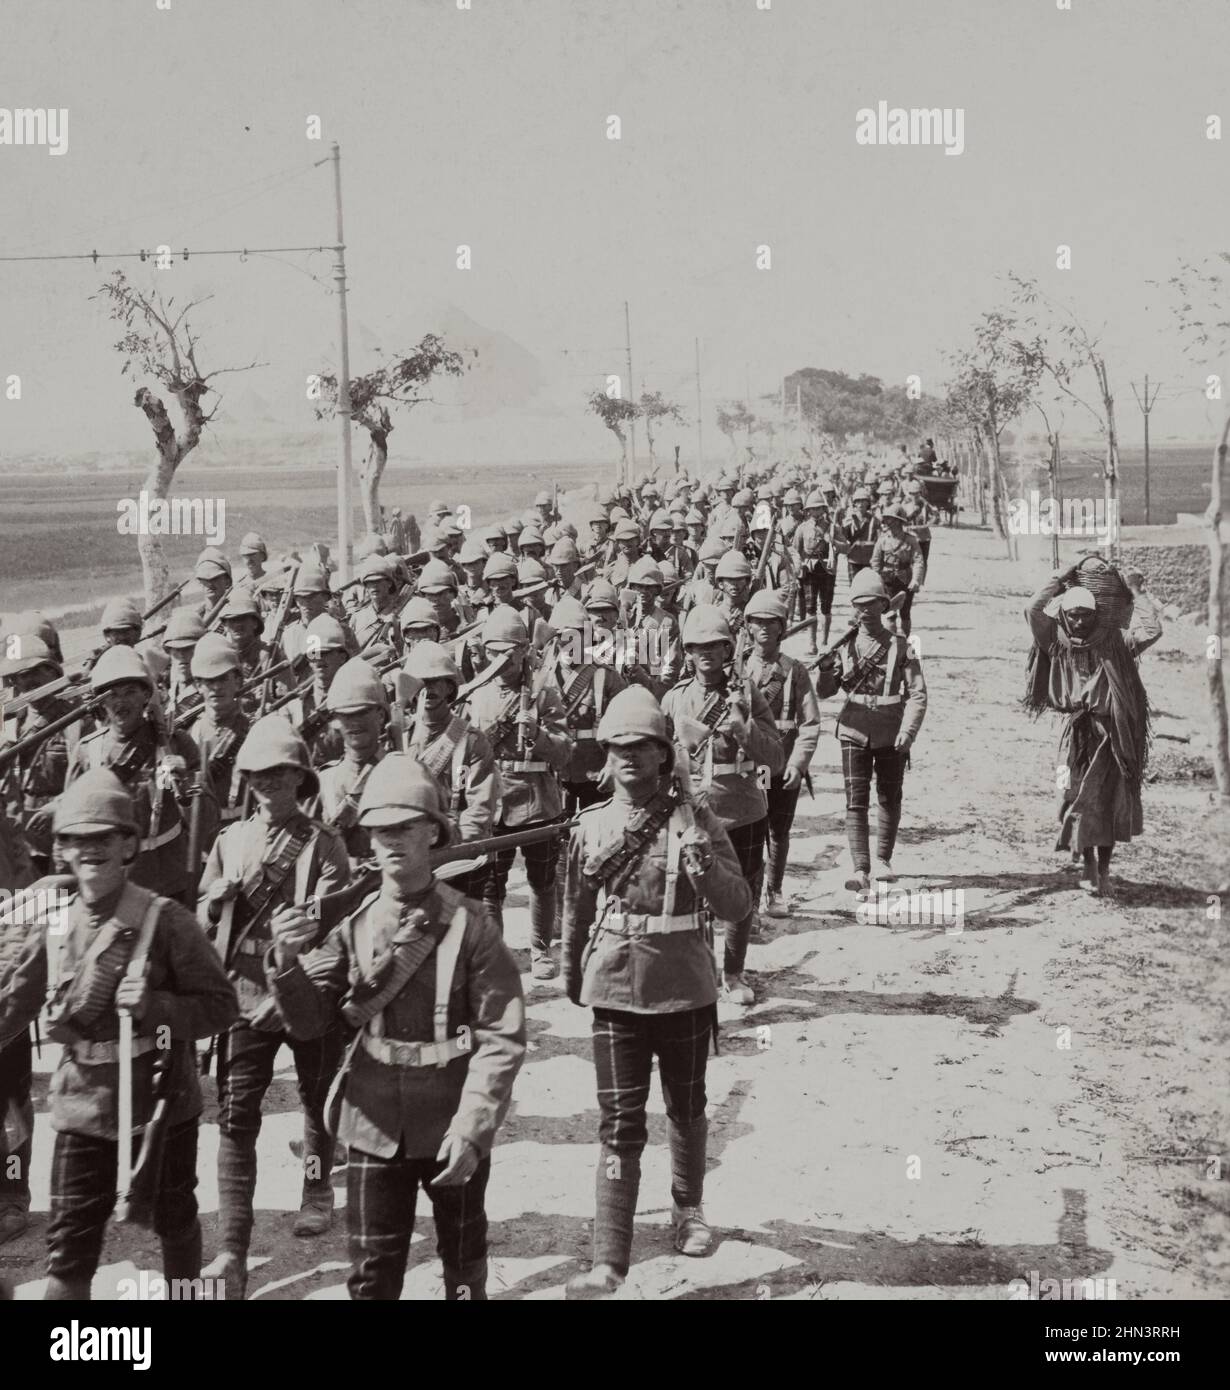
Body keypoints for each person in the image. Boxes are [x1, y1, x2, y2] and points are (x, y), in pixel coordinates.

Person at [265, 755, 525, 1300]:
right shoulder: (353, 927)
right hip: (373, 1120)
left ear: (433, 831)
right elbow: (312, 1024)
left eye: (405, 826)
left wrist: (474, 1126)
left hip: (450, 1116)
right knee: (372, 1275)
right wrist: (287, 964)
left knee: (463, 1265)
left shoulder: (471, 924)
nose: (391, 841)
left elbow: (501, 1036)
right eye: (380, 830)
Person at [0, 769, 237, 1299]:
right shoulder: (53, 921)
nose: (91, 851)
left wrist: (157, 1005)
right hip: (82, 1106)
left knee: (175, 1218)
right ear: (60, 849)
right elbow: (13, 1005)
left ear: (128, 843)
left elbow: (222, 1007)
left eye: (103, 837)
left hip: (159, 1103)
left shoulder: (165, 919)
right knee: (69, 1251)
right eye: (77, 840)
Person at [561, 687, 750, 1299]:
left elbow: (737, 906)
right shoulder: (591, 827)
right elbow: (575, 910)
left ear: (665, 755)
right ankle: (609, 1254)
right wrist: (572, 975)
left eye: (641, 747)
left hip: (685, 987)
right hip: (615, 987)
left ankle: (688, 1208)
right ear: (605, 757)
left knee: (688, 1106)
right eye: (617, 748)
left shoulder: (698, 822)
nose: (628, 758)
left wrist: (704, 869)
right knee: (619, 1123)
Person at [197, 716, 350, 1297]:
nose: (270, 785)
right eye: (259, 775)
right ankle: (233, 1247)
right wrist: (215, 904)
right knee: (236, 1118)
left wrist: (300, 960)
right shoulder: (229, 842)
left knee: (317, 1102)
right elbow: (202, 925)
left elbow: (339, 936)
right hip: (244, 993)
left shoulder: (325, 844)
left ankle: (316, 1191)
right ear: (247, 780)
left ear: (300, 778)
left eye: (281, 774)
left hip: (305, 990)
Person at [662, 605, 783, 1005]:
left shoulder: (747, 694)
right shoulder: (676, 699)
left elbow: (775, 759)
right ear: (688, 652)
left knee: (741, 897)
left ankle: (733, 973)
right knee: (688, 893)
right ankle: (698, 971)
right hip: (692, 812)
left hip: (743, 810)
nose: (706, 654)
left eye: (715, 645)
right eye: (698, 647)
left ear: (728, 649)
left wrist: (742, 727)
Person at [1024, 562, 1158, 897]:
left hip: (1113, 734)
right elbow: (1031, 608)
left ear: (1097, 614)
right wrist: (1061, 577)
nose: (1081, 621)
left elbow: (1152, 630)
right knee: (1072, 795)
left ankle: (1104, 868)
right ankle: (1086, 862)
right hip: (1078, 733)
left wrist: (1137, 591)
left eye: (1087, 614)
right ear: (1064, 617)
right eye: (1074, 615)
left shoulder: (1115, 643)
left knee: (1110, 799)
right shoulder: (1057, 642)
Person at [463, 608, 570, 978]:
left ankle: (541, 951)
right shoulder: (477, 694)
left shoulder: (545, 691)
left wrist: (538, 735)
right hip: (495, 800)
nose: (501, 660)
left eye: (509, 651)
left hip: (538, 799)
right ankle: (496, 954)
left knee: (542, 880)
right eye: (494, 652)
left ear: (525, 650)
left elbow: (564, 750)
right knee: (492, 883)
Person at [67, 646, 200, 904]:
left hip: (171, 880)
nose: (121, 702)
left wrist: (186, 784)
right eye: (112, 695)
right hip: (113, 885)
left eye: (130, 692)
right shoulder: (86, 752)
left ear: (145, 696)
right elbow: (71, 827)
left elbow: (206, 818)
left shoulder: (176, 743)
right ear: (101, 702)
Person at [835, 571, 928, 897]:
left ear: (883, 606)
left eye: (872, 605)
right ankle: (860, 869)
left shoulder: (903, 647)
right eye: (859, 605)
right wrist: (825, 673)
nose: (865, 611)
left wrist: (909, 731)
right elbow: (826, 689)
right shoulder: (844, 644)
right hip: (853, 729)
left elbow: (917, 694)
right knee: (855, 802)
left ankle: (884, 859)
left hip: (891, 731)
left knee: (889, 797)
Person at [740, 591, 822, 920]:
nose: (763, 628)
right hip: (746, 766)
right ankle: (748, 895)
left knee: (778, 830)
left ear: (781, 628)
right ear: (747, 627)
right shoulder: (737, 668)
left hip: (782, 764)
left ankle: (774, 891)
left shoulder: (794, 671)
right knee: (750, 832)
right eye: (756, 621)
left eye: (770, 622)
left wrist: (799, 764)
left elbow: (811, 722)